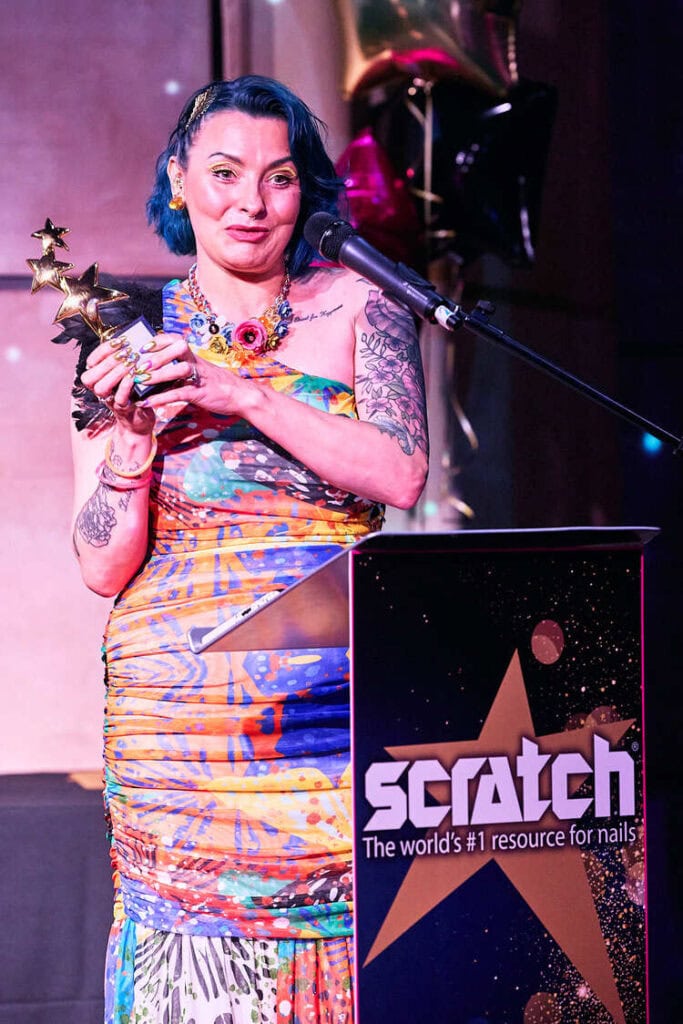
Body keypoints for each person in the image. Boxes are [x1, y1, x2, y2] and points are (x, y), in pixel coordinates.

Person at [69, 75, 428, 1023]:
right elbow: (101, 565)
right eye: (224, 173)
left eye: (278, 177)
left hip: (333, 716)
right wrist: (131, 445)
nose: (251, 202)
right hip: (181, 734)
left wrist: (246, 394)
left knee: (350, 940)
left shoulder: (362, 307)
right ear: (179, 182)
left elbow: (399, 473)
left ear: (304, 191)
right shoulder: (125, 332)